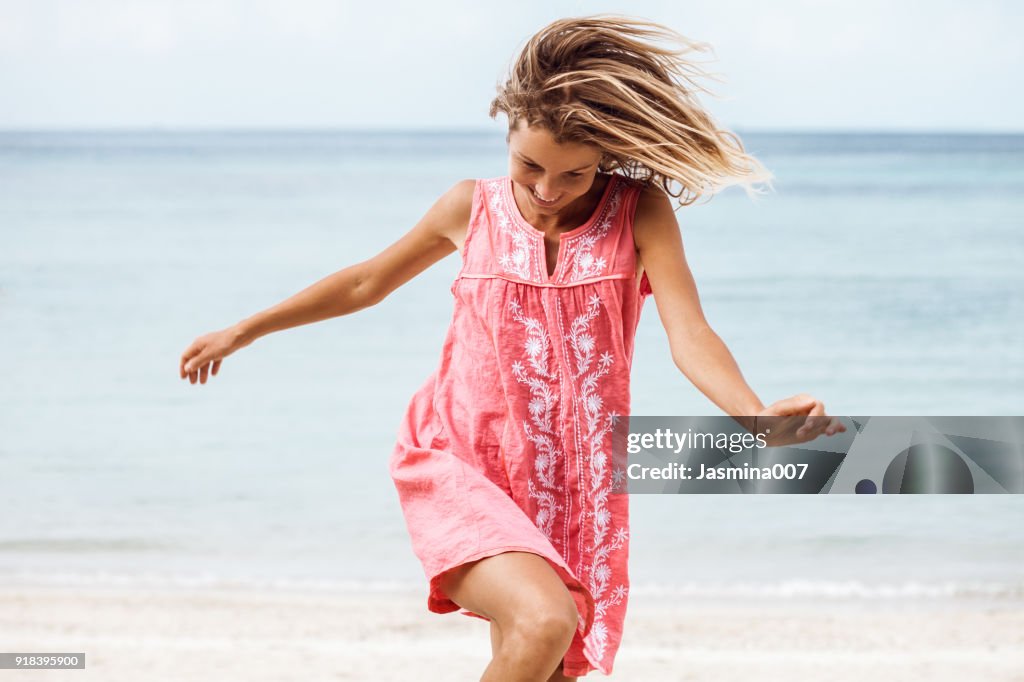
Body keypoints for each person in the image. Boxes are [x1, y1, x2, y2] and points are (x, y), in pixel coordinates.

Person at [179, 14, 845, 681]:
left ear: (605, 160)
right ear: (506, 134)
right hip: (460, 461)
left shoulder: (638, 212)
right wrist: (244, 330)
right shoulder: (469, 208)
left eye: (575, 175)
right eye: (529, 167)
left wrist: (755, 418)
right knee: (544, 622)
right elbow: (364, 282)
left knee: (544, 663)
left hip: (576, 484)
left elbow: (689, 333)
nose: (549, 190)